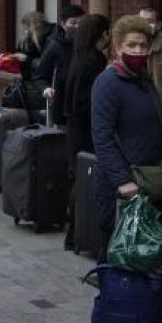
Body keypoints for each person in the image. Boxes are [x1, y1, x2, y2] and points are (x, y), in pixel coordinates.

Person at [90, 15, 162, 261]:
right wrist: (122, 181)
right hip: (121, 185)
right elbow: (102, 136)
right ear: (118, 48)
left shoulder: (143, 80)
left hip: (148, 180)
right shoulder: (108, 82)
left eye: (142, 45)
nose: (138, 51)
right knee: (118, 256)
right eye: (131, 45)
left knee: (144, 257)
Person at [62, 14, 111, 248]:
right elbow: (82, 102)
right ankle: (76, 231)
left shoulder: (82, 58)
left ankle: (77, 231)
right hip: (84, 130)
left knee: (80, 177)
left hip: (78, 128)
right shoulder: (90, 62)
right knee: (83, 178)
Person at [38, 4, 86, 126]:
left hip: (84, 102)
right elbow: (41, 75)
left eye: (81, 23)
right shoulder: (54, 45)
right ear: (63, 24)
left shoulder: (87, 44)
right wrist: (46, 88)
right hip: (63, 104)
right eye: (73, 23)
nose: (77, 27)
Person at [16, 10, 53, 81]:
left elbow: (48, 64)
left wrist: (27, 59)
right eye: (24, 29)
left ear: (36, 25)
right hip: (31, 82)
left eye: (27, 28)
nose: (26, 32)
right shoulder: (25, 42)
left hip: (45, 84)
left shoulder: (51, 39)